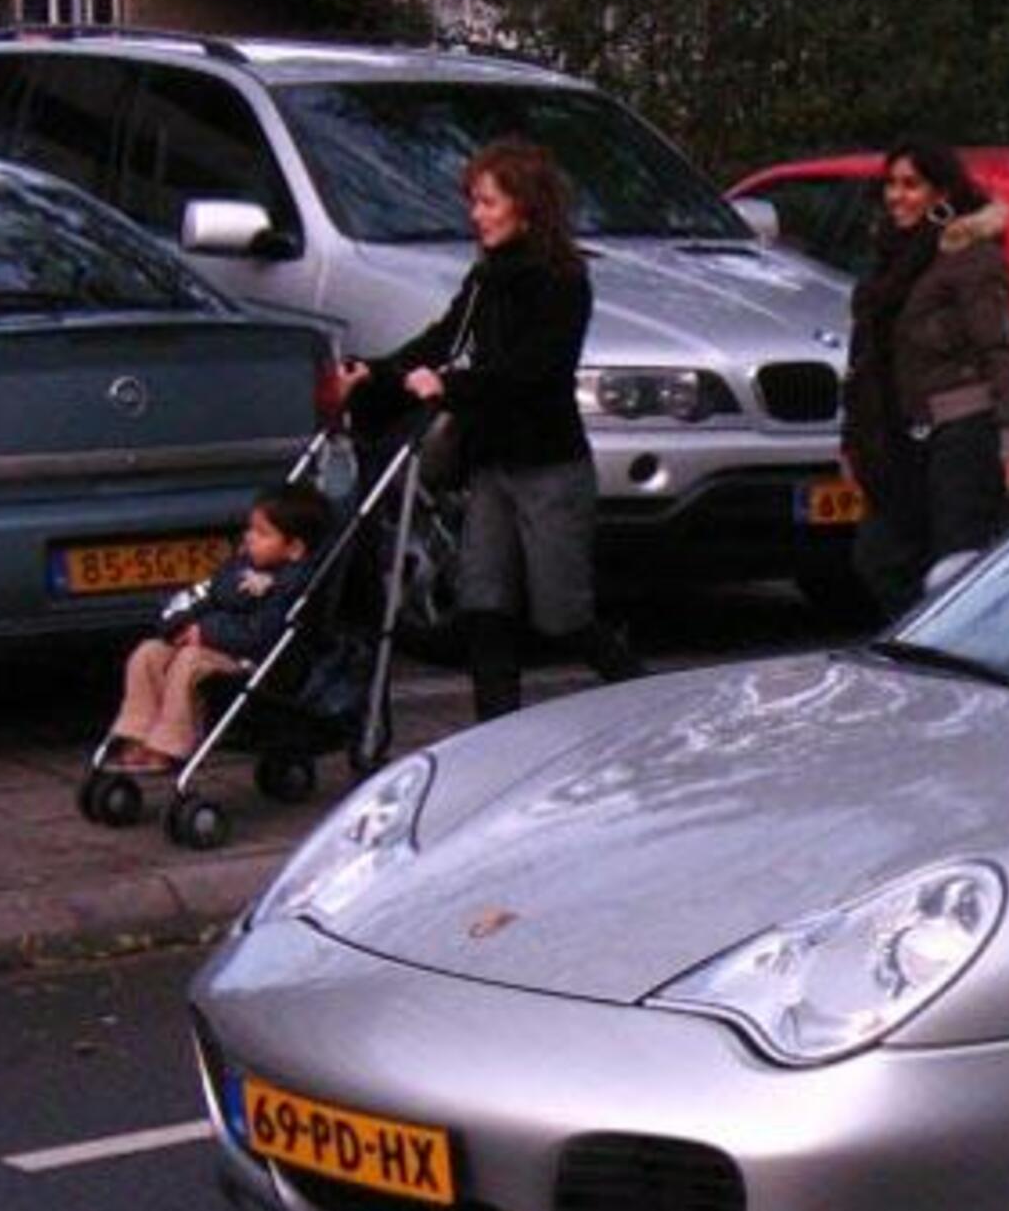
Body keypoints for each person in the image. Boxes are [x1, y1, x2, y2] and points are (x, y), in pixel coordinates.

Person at [344, 137, 639, 720]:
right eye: (474, 202)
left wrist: (451, 388)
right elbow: (442, 340)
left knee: (562, 613)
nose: (476, 215)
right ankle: (494, 729)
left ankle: (645, 698)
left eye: (486, 202)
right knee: (485, 603)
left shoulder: (561, 281)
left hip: (549, 466)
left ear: (525, 205)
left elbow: (534, 371)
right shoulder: (487, 277)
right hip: (492, 462)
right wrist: (376, 372)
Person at [838, 139, 1009, 622]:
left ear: (941, 192)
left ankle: (950, 655)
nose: (897, 196)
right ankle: (924, 639)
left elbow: (1003, 350)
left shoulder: (969, 256)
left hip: (962, 432)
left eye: (911, 185)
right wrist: (852, 438)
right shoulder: (890, 261)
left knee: (955, 566)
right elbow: (868, 360)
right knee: (880, 557)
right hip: (899, 438)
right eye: (891, 184)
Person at [103, 483, 329, 772]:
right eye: (250, 529)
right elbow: (206, 594)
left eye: (262, 533)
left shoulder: (288, 588)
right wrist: (179, 622)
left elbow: (261, 633)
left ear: (294, 549)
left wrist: (205, 632)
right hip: (215, 645)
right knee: (149, 653)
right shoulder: (237, 568)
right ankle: (136, 734)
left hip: (252, 660)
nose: (249, 538)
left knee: (189, 661)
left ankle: (169, 745)